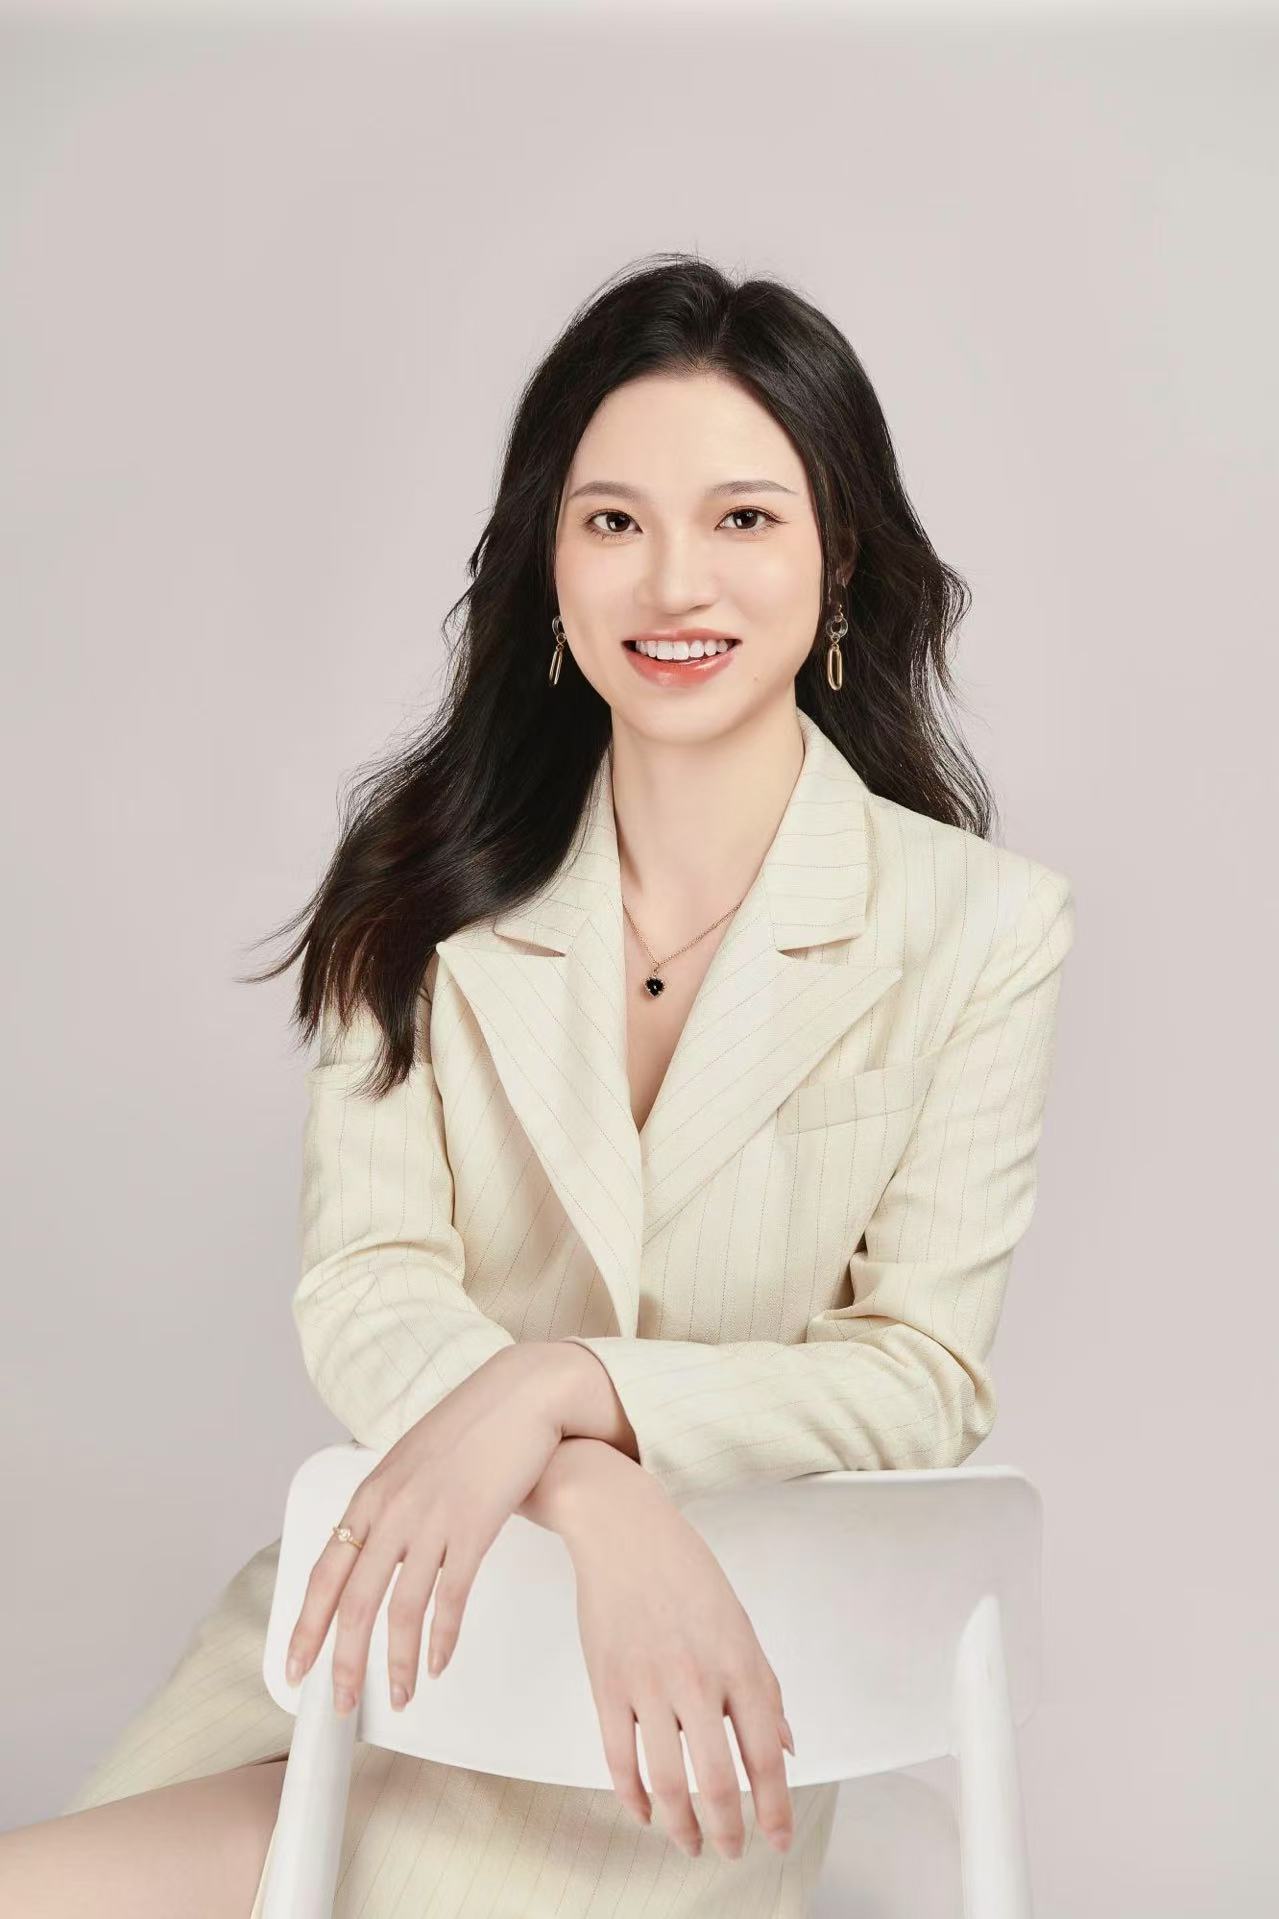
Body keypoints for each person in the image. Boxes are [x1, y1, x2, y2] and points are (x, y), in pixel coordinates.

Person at [1, 253, 1077, 1917]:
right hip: (383, 1639)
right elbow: (366, 1285)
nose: (672, 581)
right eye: (612, 520)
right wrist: (579, 1475)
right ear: (548, 562)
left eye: (743, 518)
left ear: (841, 558)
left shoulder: (981, 929)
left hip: (672, 1721)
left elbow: (919, 1372)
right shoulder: (425, 874)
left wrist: (564, 1382)